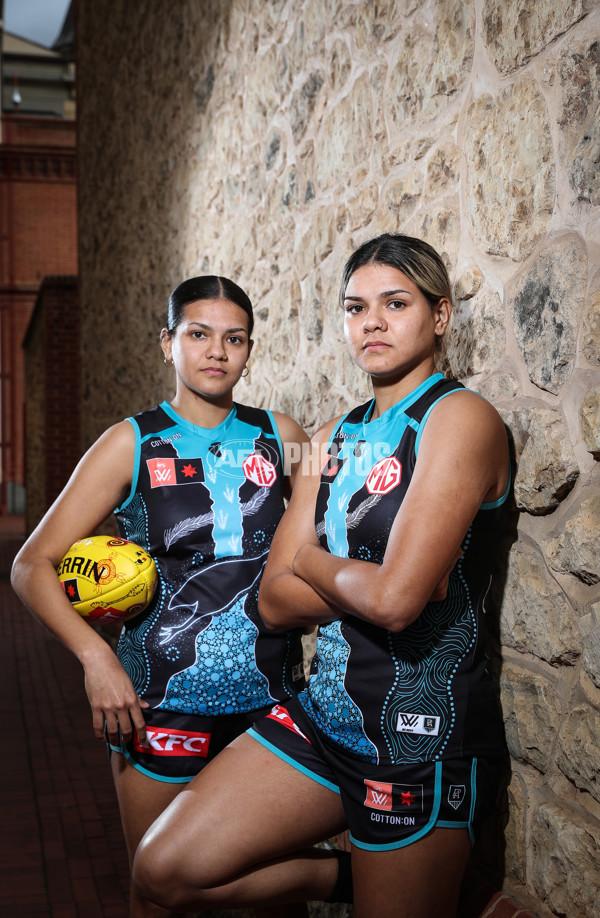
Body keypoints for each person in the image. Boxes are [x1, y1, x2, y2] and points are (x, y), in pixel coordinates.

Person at [132, 234, 510, 918]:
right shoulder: (333, 435)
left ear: (441, 315)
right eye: (355, 307)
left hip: (414, 738)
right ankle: (334, 877)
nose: (371, 322)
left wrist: (308, 558)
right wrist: (360, 576)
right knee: (163, 869)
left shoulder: (460, 420)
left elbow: (396, 603)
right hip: (324, 717)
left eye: (395, 304)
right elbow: (274, 604)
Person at [11, 275, 322, 918]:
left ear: (249, 350)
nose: (216, 351)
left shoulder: (282, 433)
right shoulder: (132, 442)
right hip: (158, 705)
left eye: (234, 339)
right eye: (198, 334)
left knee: (268, 893)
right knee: (156, 892)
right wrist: (96, 660)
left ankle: (332, 882)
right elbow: (30, 564)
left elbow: (333, 515)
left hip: (271, 701)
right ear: (167, 343)